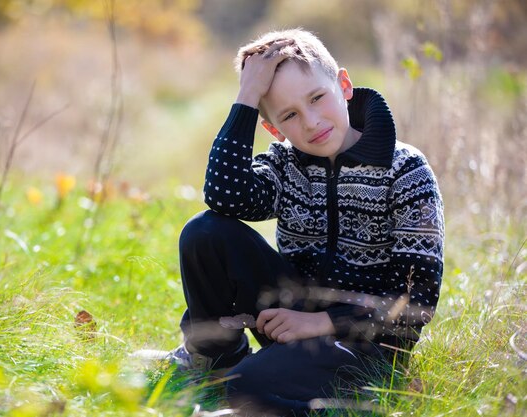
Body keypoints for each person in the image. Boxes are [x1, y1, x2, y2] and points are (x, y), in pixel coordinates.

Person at [171, 28, 444, 416]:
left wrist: (321, 323)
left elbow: (417, 300)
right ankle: (216, 359)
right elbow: (224, 195)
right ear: (273, 128)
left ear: (344, 85)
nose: (313, 122)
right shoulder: (286, 165)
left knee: (249, 386)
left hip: (366, 345)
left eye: (317, 97)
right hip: (291, 321)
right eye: (290, 116)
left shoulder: (405, 171)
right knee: (205, 231)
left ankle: (313, 396)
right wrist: (247, 96)